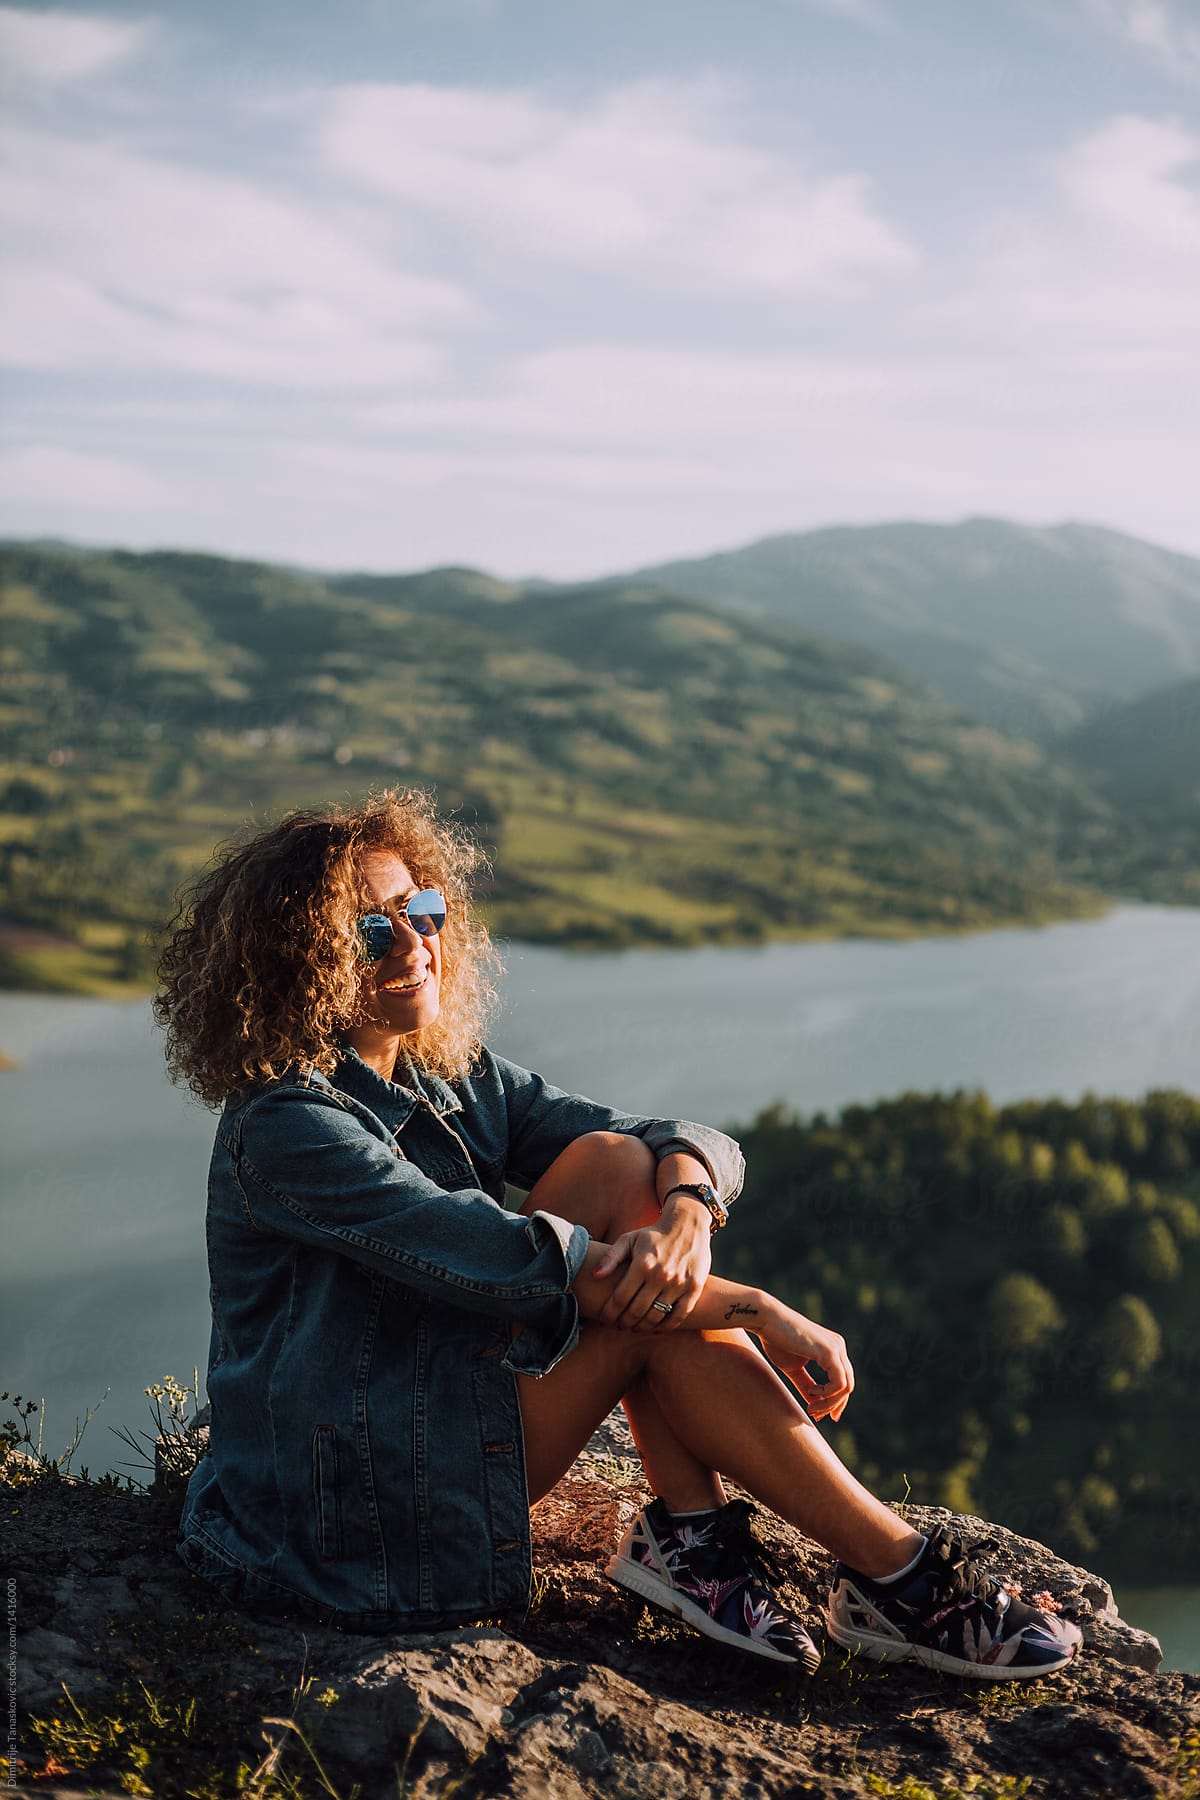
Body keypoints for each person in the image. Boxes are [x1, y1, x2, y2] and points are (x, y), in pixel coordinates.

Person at [158, 790, 1081, 1680]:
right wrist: (757, 1307)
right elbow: (538, 1269)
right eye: (371, 930)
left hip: (431, 1409)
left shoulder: (448, 1074)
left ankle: (705, 1540)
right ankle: (893, 1573)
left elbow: (677, 1140)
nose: (415, 944)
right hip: (344, 1521)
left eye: (422, 908)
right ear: (297, 961)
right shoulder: (288, 1127)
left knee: (616, 1168)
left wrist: (688, 1210)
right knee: (642, 1312)